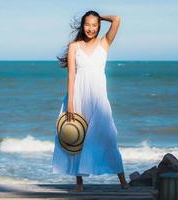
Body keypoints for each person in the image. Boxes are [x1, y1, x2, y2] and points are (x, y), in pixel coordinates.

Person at [52, 10, 130, 192]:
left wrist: (98, 16)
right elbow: (71, 75)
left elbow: (117, 19)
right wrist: (70, 102)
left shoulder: (105, 43)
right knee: (77, 139)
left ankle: (122, 179)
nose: (91, 28)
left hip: (99, 99)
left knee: (109, 137)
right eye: (87, 24)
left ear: (99, 26)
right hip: (78, 97)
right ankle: (79, 182)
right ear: (82, 25)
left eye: (94, 25)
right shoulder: (74, 47)